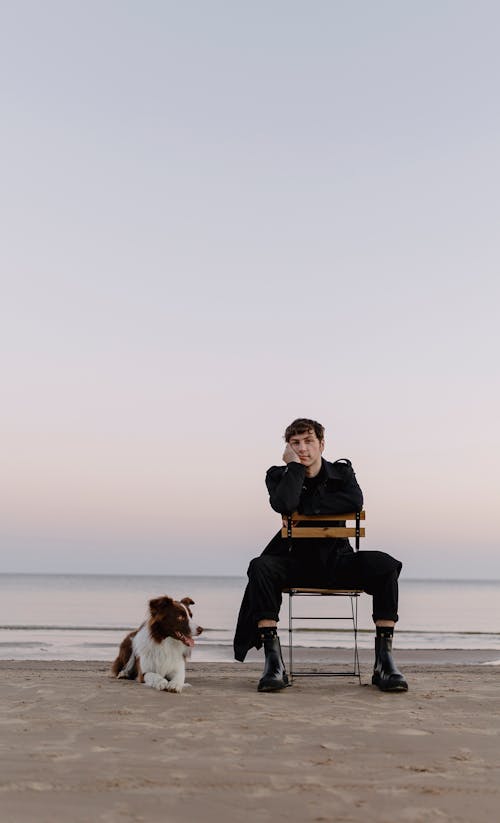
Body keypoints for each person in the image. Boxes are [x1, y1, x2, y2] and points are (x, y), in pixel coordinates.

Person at [234, 417, 408, 693]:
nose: (302, 448)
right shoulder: (278, 475)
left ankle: (384, 664)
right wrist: (294, 469)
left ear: (322, 444)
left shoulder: (342, 473)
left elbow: (355, 501)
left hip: (339, 562)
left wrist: (307, 507)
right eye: (295, 443)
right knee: (260, 566)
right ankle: (274, 664)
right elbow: (284, 503)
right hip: (295, 563)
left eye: (308, 441)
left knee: (385, 565)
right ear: (288, 448)